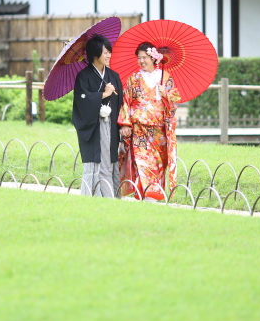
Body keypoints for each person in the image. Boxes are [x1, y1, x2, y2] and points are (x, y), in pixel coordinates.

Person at [118, 42, 180, 201]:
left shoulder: (165, 77)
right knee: (143, 162)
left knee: (159, 163)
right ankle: (147, 194)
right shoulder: (134, 78)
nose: (141, 61)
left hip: (159, 129)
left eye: (144, 57)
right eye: (139, 58)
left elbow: (175, 101)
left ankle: (154, 193)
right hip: (140, 128)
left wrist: (165, 93)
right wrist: (125, 123)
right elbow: (126, 100)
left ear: (154, 58)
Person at [72, 34, 123, 198]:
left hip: (111, 125)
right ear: (95, 54)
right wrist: (103, 94)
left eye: (110, 52)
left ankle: (111, 195)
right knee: (97, 161)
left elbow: (120, 102)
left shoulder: (113, 75)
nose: (109, 55)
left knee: (110, 160)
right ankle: (95, 195)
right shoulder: (83, 77)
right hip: (94, 126)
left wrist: (122, 124)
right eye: (105, 52)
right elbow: (82, 101)